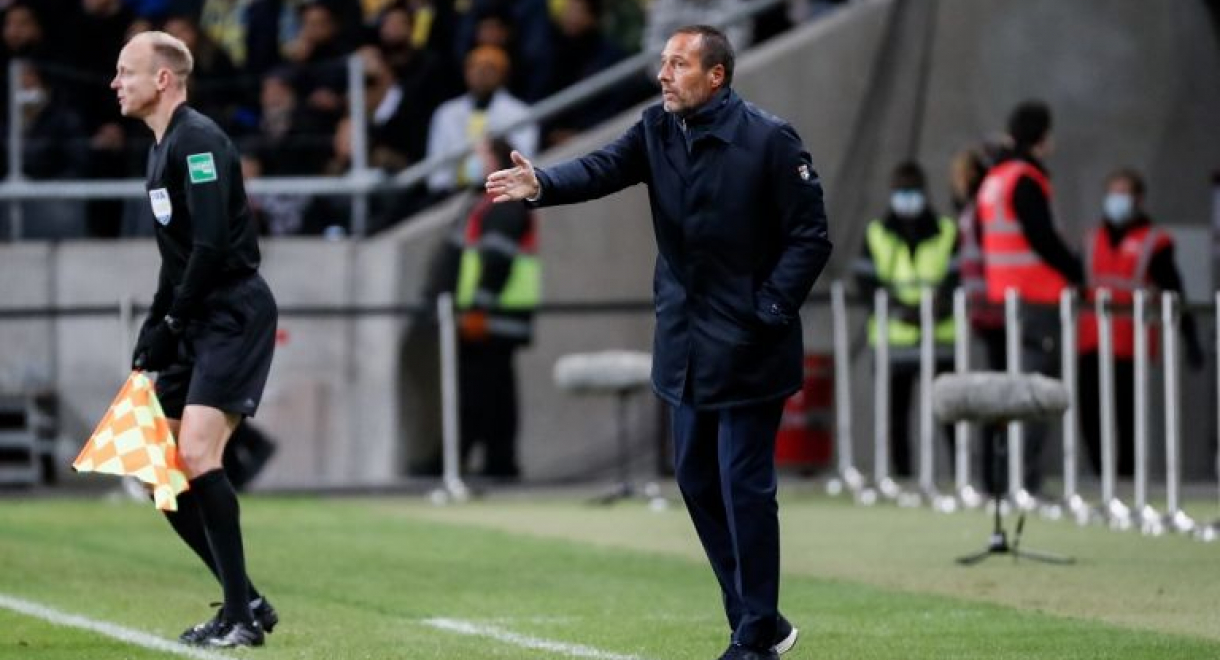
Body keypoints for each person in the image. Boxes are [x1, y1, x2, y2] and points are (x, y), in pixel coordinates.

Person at [487, 25, 830, 660]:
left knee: (744, 487)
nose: (663, 75)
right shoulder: (656, 129)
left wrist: (770, 308)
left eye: (678, 64)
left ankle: (754, 634)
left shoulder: (770, 140)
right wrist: (543, 185)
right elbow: (601, 168)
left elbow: (811, 236)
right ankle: (761, 620)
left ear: (716, 76)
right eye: (664, 63)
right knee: (696, 480)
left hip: (751, 344)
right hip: (686, 342)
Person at [111, 30, 278, 648]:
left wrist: (174, 323)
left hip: (231, 313)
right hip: (195, 315)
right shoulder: (160, 149)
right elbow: (178, 258)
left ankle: (241, 621)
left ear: (163, 79)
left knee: (199, 456)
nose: (115, 83)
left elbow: (210, 247)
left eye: (126, 71)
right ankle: (246, 601)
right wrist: (156, 323)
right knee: (158, 475)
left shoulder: (199, 140)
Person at [976, 100, 1082, 497]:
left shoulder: (995, 178)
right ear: (1043, 136)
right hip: (1037, 298)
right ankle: (1022, 482)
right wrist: (1076, 270)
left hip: (1003, 299)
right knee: (1034, 393)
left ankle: (1001, 481)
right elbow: (1042, 237)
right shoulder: (1025, 178)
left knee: (1009, 392)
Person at [1076, 168, 1202, 478]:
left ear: (1138, 199)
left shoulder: (1154, 242)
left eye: (1123, 193)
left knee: (1128, 416)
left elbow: (1175, 291)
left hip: (1131, 344)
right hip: (1091, 340)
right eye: (1112, 193)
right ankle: (1103, 475)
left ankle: (1126, 478)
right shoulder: (1092, 239)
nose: (1116, 200)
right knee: (1089, 411)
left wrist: (1190, 337)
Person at [426, 137, 539, 480]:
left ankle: (471, 460)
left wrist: (478, 309)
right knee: (493, 392)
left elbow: (497, 260)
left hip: (492, 318)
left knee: (481, 393)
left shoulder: (504, 205)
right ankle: (496, 461)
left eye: (481, 156)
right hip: (486, 317)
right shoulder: (483, 203)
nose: (474, 163)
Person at [853, 161, 958, 479]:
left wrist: (934, 311)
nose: (907, 197)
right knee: (894, 418)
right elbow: (866, 284)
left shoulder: (947, 232)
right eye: (901, 191)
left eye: (912, 190)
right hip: (893, 343)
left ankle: (961, 476)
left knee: (951, 414)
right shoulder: (877, 234)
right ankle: (902, 480)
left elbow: (957, 281)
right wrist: (902, 311)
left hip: (938, 341)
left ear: (924, 192)